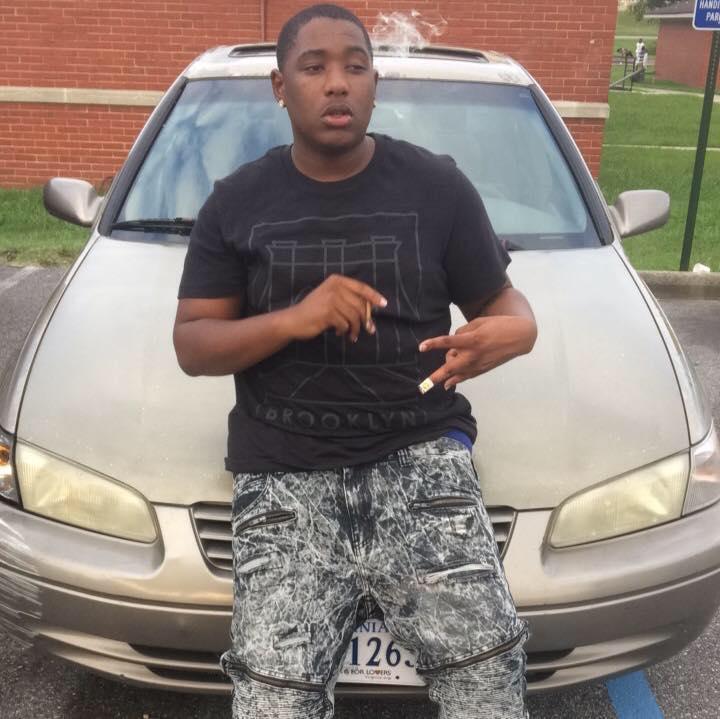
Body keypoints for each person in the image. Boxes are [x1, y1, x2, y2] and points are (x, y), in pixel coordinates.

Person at [173, 4, 537, 718]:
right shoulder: (235, 202)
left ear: (375, 83)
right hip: (283, 476)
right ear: (281, 87)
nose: (336, 82)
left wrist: (514, 331)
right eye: (314, 67)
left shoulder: (437, 187)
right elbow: (192, 343)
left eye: (355, 66)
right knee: (273, 702)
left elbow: (503, 303)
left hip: (420, 462)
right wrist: (294, 318)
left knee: (488, 686)